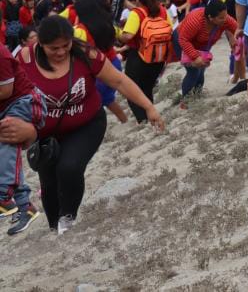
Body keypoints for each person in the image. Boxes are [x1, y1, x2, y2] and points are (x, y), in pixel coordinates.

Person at [8, 16, 163, 235]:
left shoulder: (86, 54)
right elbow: (10, 96)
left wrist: (148, 107)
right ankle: (55, 229)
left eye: (66, 45)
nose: (61, 52)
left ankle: (68, 219)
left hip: (86, 124)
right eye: (54, 48)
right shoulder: (24, 59)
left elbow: (118, 80)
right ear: (40, 44)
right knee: (49, 184)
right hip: (45, 134)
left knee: (69, 167)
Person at [0, 42, 45, 235]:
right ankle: (24, 205)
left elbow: (5, 91)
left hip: (26, 101)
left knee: (6, 137)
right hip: (7, 107)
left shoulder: (1, 54)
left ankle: (3, 194)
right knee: (5, 150)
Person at [119, 0, 174, 123]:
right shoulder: (162, 10)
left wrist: (117, 33)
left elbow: (127, 36)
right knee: (147, 89)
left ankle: (143, 121)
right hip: (159, 57)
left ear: (138, 0)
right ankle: (151, 117)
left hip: (139, 57)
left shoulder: (137, 13)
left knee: (132, 92)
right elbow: (170, 29)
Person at [176, 0, 237, 104]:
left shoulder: (225, 19)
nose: (225, 19)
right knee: (193, 71)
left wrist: (240, 41)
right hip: (182, 40)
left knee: (201, 72)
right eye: (221, 18)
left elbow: (237, 28)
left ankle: (197, 98)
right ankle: (185, 102)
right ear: (210, 17)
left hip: (202, 45)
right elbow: (183, 39)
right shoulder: (195, 21)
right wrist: (195, 56)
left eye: (225, 16)